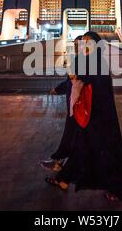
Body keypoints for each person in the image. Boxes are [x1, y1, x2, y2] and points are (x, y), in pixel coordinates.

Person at [44, 31, 122, 209]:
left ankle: (121, 189)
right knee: (81, 150)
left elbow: (75, 79)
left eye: (89, 43)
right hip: (88, 119)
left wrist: (73, 66)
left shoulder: (96, 64)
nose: (84, 45)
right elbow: (74, 80)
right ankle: (64, 180)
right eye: (83, 43)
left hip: (100, 122)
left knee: (108, 156)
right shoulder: (89, 62)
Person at [40, 36, 83, 172]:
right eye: (75, 44)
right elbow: (70, 82)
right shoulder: (80, 61)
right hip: (75, 106)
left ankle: (59, 163)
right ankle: (61, 164)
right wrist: (58, 89)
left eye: (79, 44)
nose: (76, 47)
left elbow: (75, 81)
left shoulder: (83, 62)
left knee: (70, 135)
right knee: (74, 136)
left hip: (79, 107)